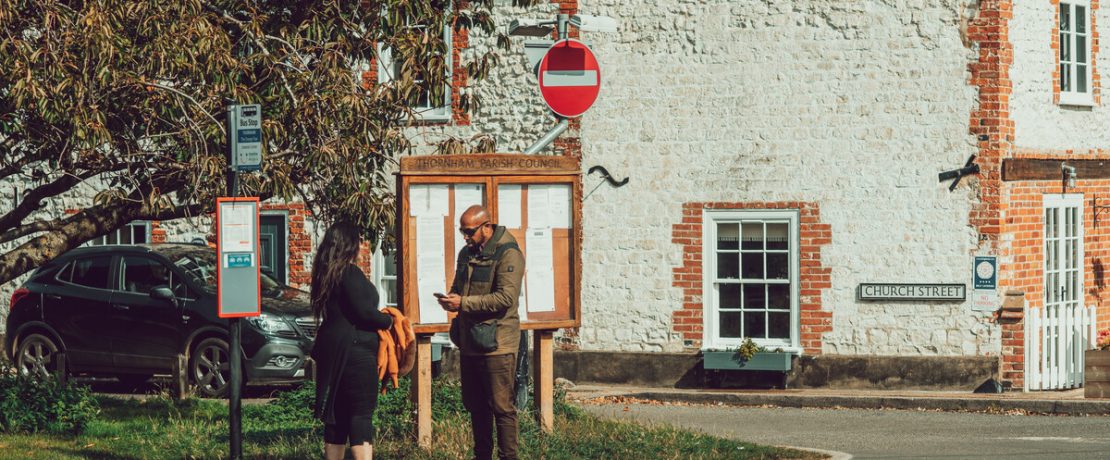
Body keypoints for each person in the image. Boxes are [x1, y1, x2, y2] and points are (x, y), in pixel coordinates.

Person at [438, 205, 525, 460]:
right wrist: (450, 299)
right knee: (476, 406)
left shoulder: (509, 254)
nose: (465, 237)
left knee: (501, 407)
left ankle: (508, 457)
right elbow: (459, 285)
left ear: (487, 226)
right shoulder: (467, 253)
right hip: (470, 339)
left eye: (469, 231)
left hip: (498, 342)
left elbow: (505, 298)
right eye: (462, 231)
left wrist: (463, 304)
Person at [309, 221, 393, 460]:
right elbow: (363, 312)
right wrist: (388, 321)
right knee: (360, 413)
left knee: (337, 413)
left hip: (332, 350)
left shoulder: (326, 272)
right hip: (355, 351)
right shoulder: (349, 272)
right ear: (349, 244)